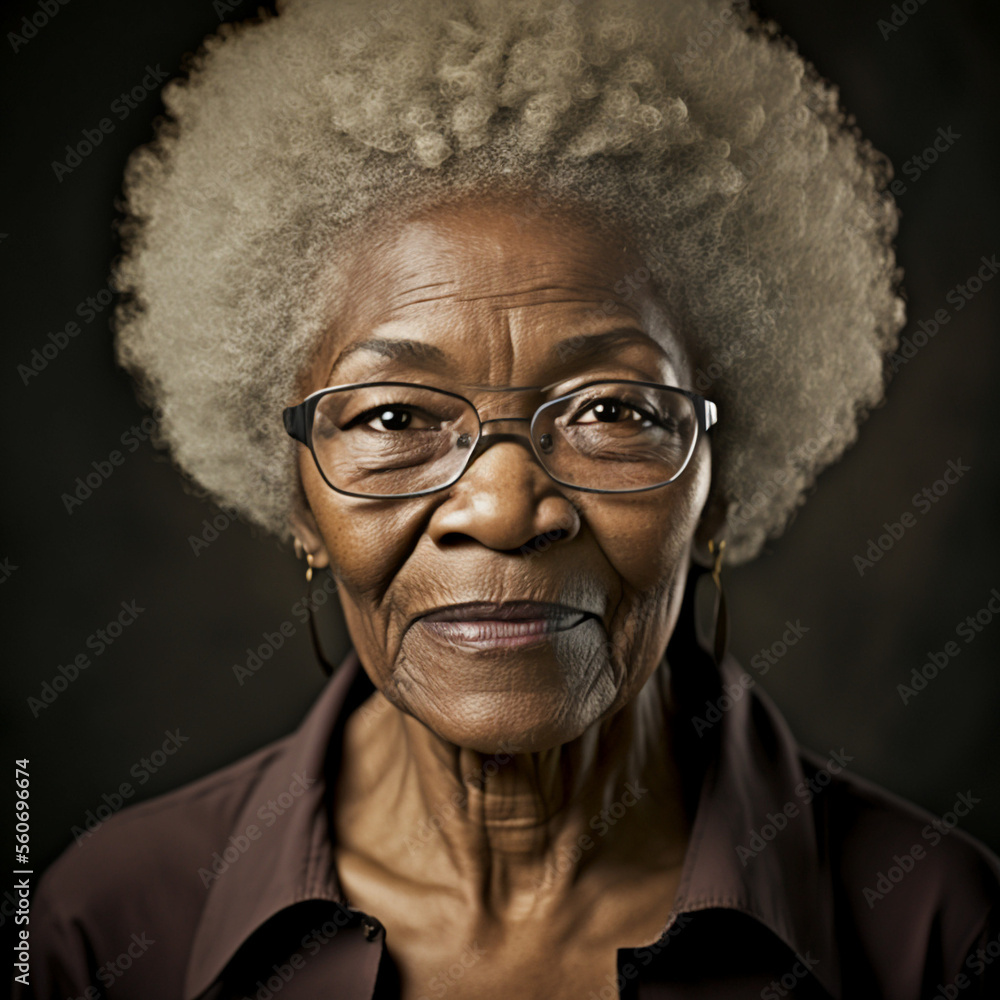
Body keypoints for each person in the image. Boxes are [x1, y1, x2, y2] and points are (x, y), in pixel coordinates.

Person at [21, 0, 1000, 997]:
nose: (501, 509)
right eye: (395, 416)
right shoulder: (107, 929)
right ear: (301, 504)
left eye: (610, 409)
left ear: (717, 487)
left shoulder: (934, 935)